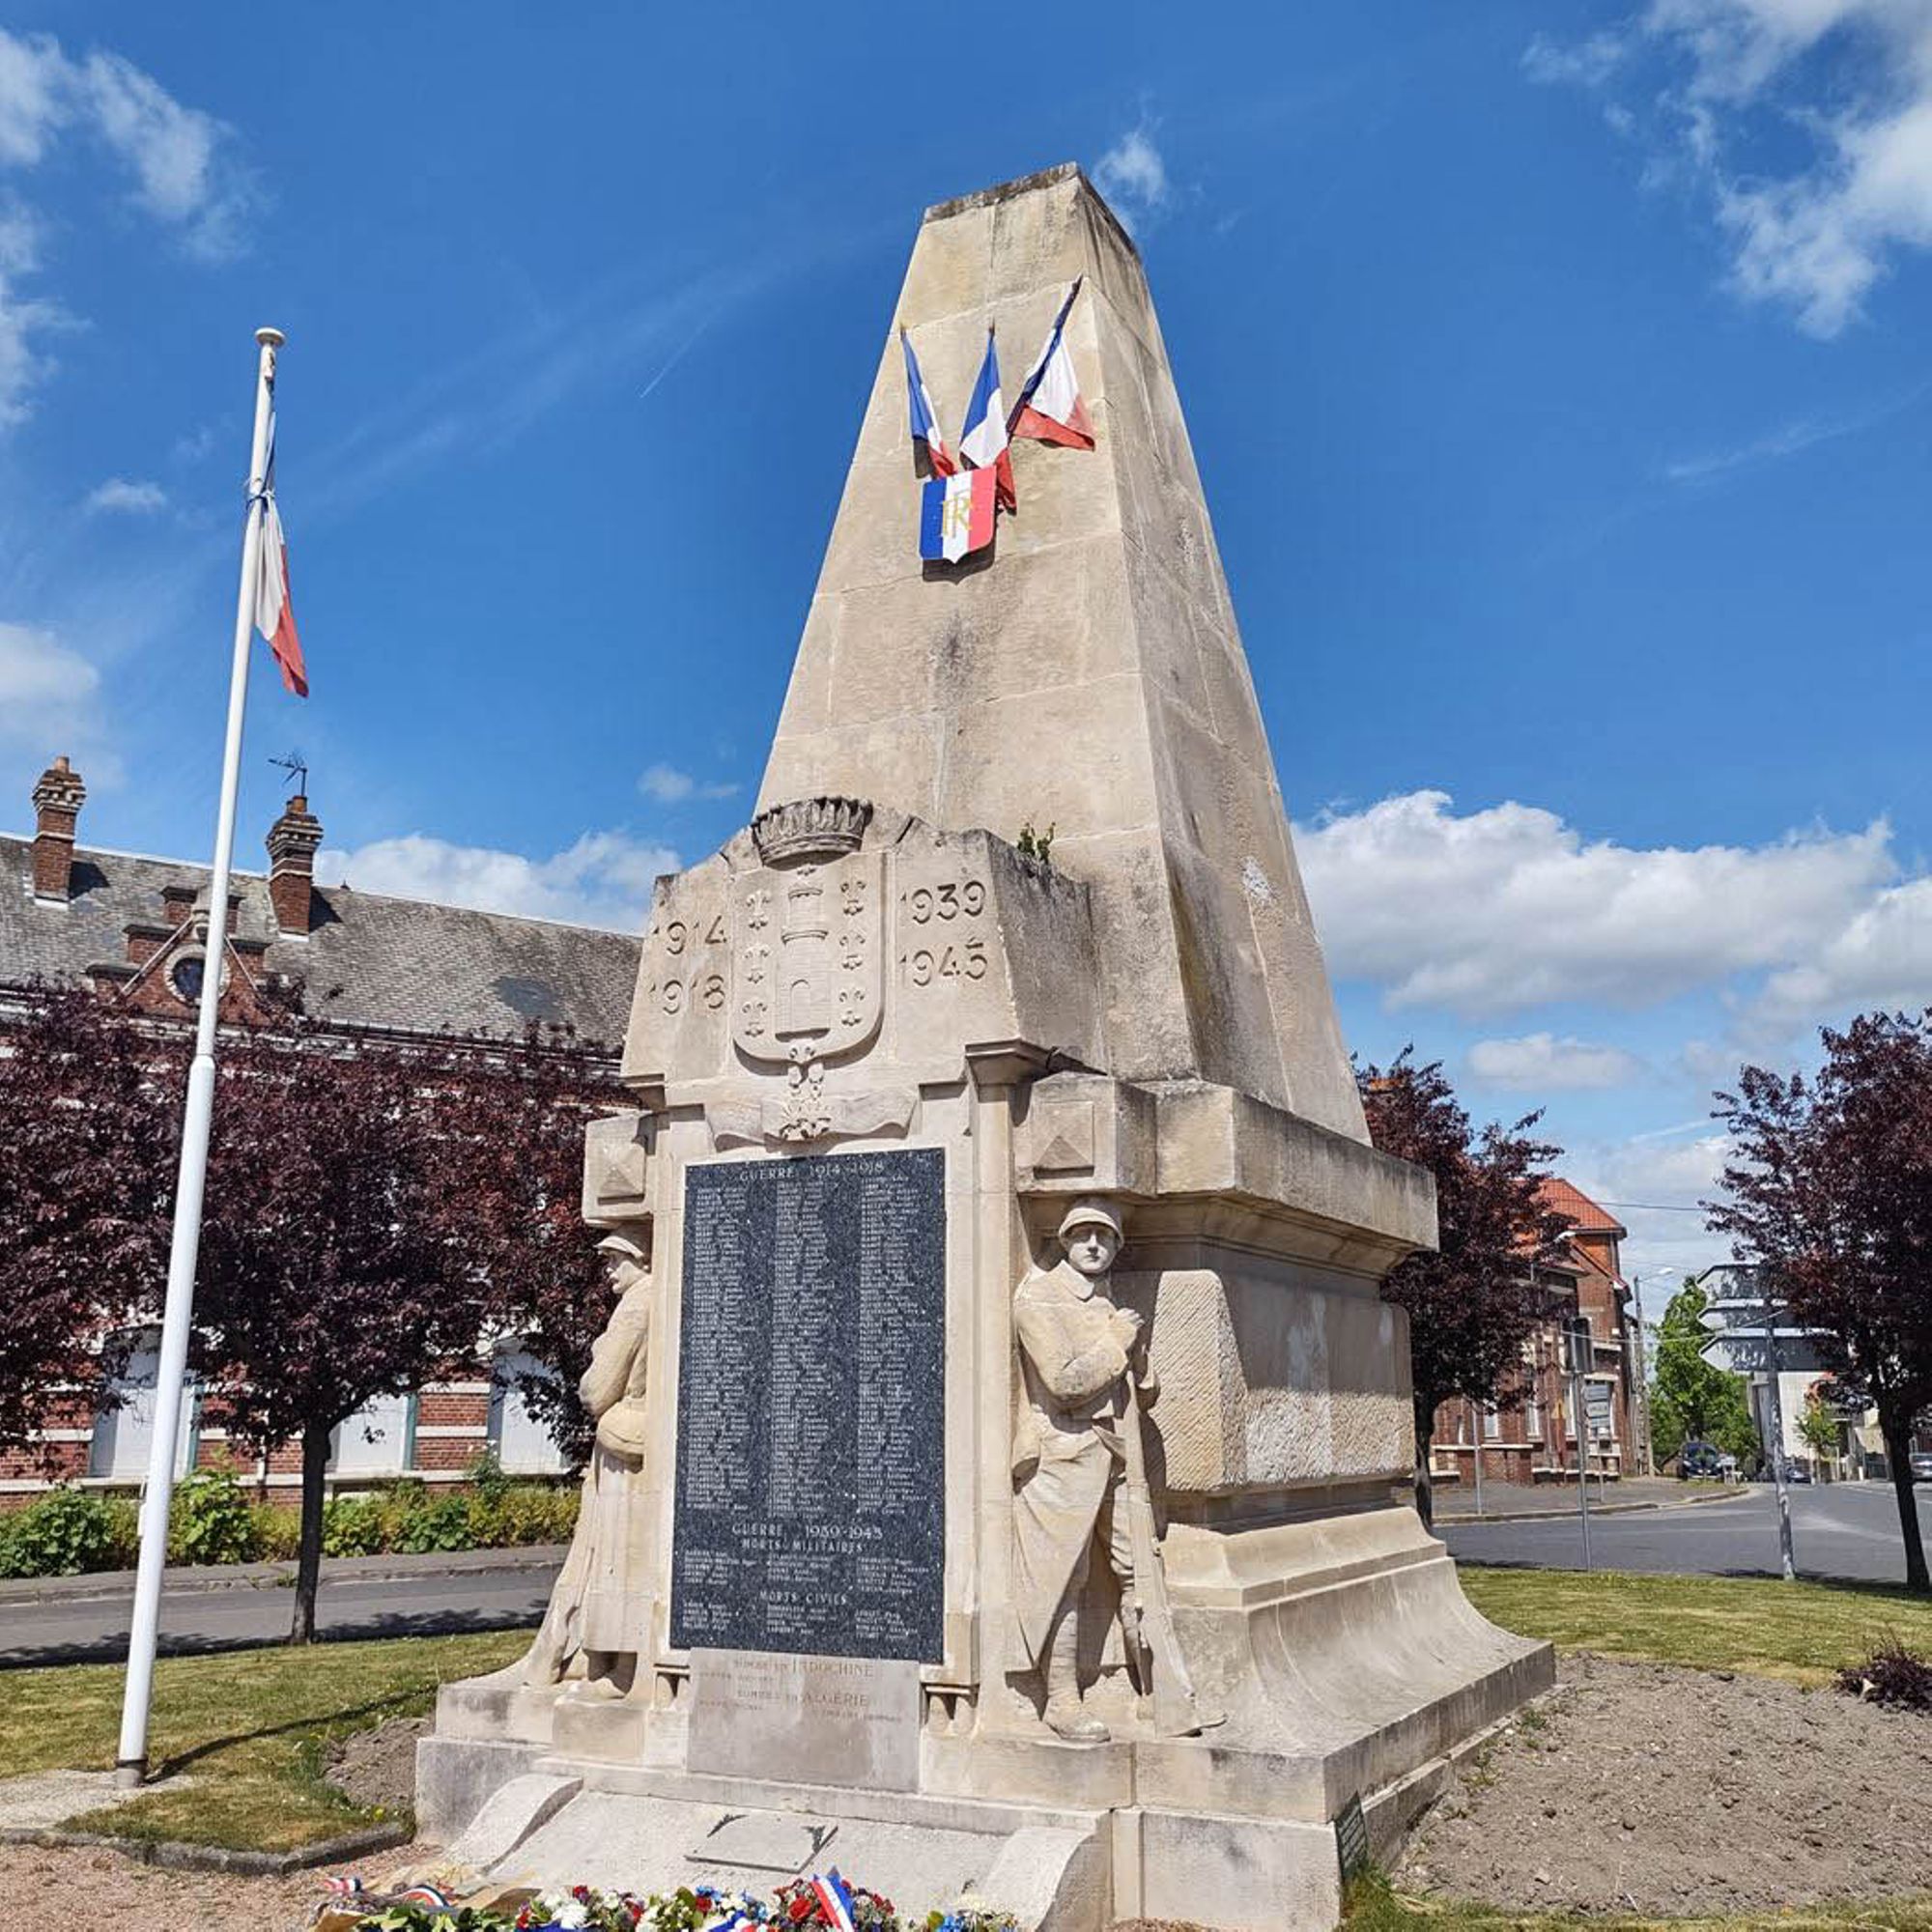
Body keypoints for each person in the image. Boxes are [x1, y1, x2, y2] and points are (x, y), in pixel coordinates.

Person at [1009, 1196, 1153, 1742]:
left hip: (1118, 1453)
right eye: (1084, 1235)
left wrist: (1138, 1357)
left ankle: (1154, 1691)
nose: (1094, 1245)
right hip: (1062, 1458)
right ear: (1065, 1240)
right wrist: (1118, 1343)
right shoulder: (1039, 1296)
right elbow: (1065, 1384)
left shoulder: (1110, 1300)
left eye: (1106, 1237)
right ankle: (1061, 1699)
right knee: (1062, 1579)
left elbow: (1145, 1389)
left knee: (1139, 1570)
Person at [521, 1232, 653, 1696]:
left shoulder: (638, 1303)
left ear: (644, 1259)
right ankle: (594, 1658)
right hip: (639, 1439)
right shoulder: (662, 1298)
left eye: (618, 1259)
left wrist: (597, 1359)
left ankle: (617, 1668)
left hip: (625, 1446)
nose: (610, 1270)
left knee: (616, 1555)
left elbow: (597, 1392)